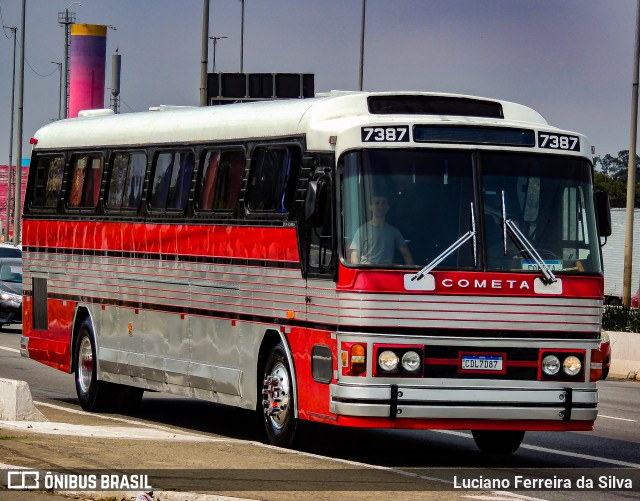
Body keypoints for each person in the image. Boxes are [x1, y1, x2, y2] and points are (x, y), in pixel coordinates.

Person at [350, 194, 414, 265]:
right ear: (370, 207)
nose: (380, 206)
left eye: (383, 203)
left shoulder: (394, 232)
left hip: (386, 273)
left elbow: (406, 254)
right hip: (366, 272)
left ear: (388, 207)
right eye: (377, 203)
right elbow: (354, 255)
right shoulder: (362, 230)